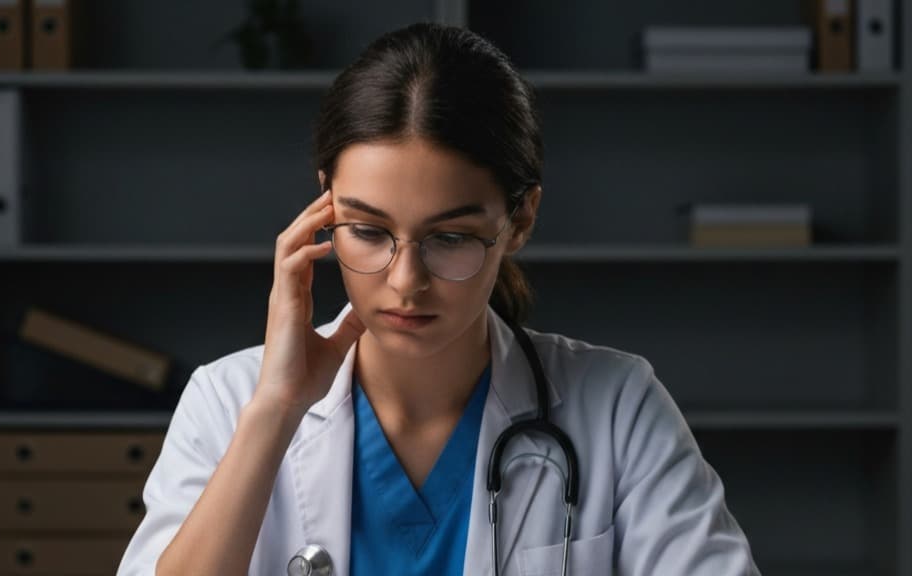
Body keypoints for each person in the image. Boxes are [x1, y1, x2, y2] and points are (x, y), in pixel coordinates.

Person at [116, 22, 760, 576]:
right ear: (324, 208)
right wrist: (277, 411)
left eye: (449, 237)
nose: (405, 282)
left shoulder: (617, 407)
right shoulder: (227, 402)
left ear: (521, 218)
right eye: (368, 232)